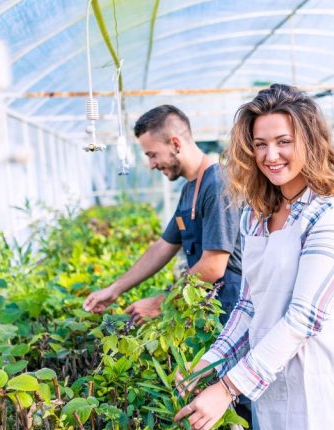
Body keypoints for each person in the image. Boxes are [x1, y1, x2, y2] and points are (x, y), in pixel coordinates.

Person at [174, 84, 334, 430]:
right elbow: (249, 306)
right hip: (268, 368)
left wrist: (227, 388)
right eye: (260, 144)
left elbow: (302, 320)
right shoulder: (257, 215)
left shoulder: (329, 214)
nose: (270, 155)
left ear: (309, 143)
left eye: (283, 142)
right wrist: (208, 364)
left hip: (318, 369)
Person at [83, 105, 242, 325]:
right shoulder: (189, 188)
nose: (151, 165)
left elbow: (213, 266)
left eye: (152, 155)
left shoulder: (216, 185)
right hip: (207, 311)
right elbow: (163, 246)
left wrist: (160, 303)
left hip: (232, 312)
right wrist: (114, 290)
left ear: (176, 144)